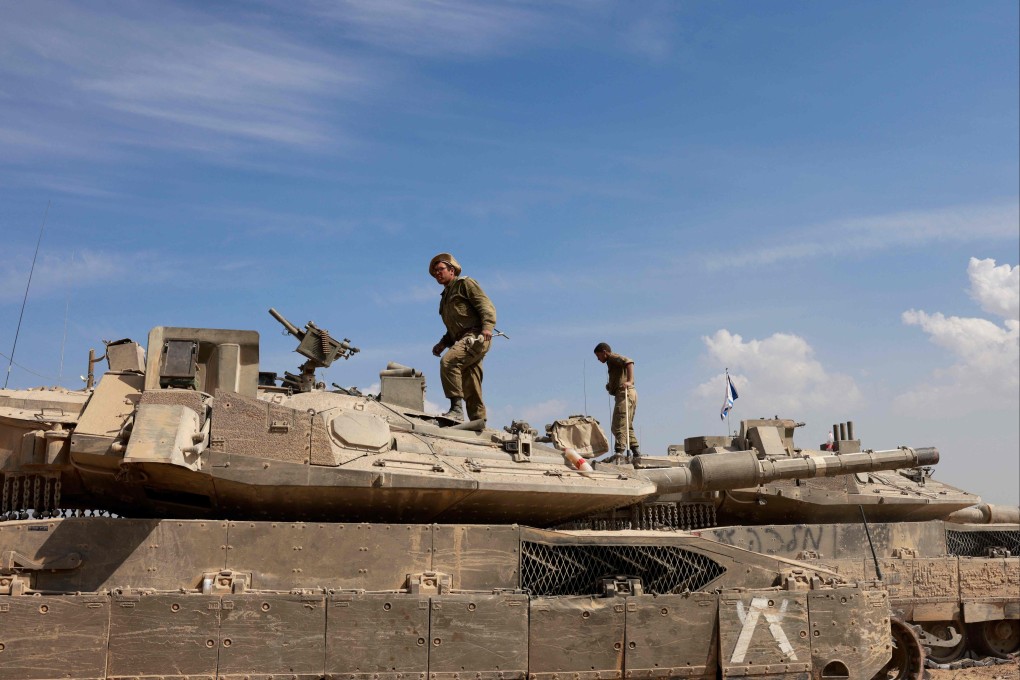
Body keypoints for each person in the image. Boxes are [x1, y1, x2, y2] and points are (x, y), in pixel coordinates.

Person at [429, 253, 496, 423]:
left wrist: (487, 327)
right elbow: (453, 328)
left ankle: (456, 410)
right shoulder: (444, 298)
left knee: (449, 362)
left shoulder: (465, 284)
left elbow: (485, 305)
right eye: (434, 271)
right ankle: (478, 422)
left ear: (451, 270)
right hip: (462, 338)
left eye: (440, 269)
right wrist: (443, 343)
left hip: (477, 336)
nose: (437, 273)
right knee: (470, 381)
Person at [594, 342, 640, 461]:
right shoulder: (611, 363)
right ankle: (636, 452)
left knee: (618, 425)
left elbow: (629, 361)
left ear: (604, 352)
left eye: (598, 356)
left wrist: (630, 381)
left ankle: (619, 452)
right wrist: (610, 386)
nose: (598, 359)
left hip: (625, 393)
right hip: (627, 394)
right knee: (626, 425)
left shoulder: (613, 358)